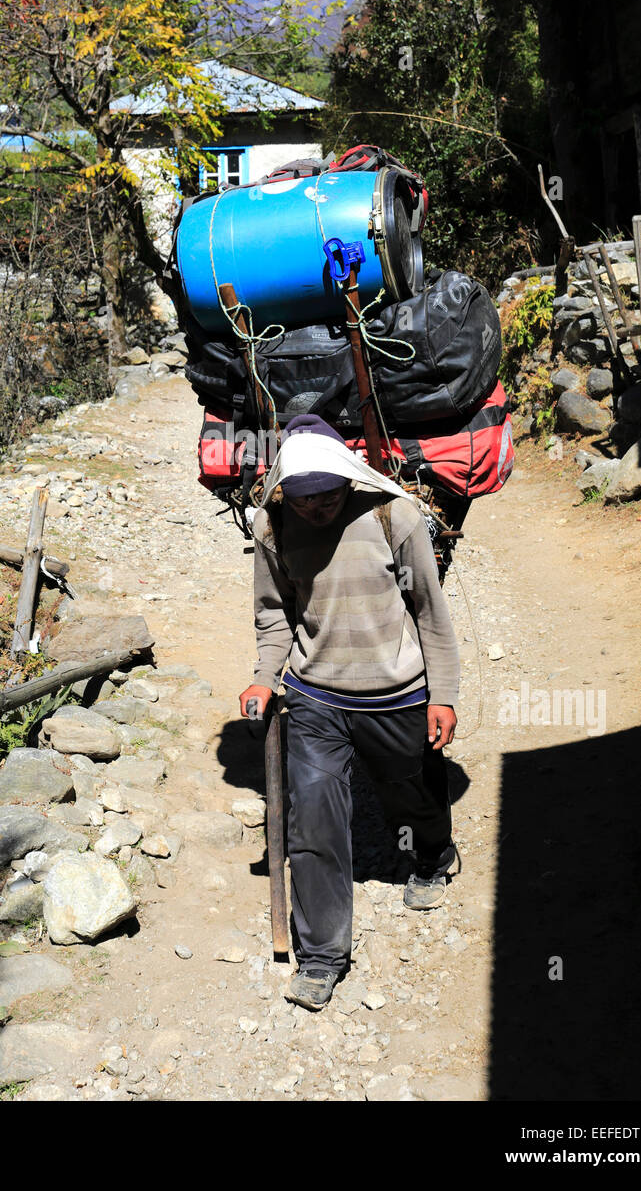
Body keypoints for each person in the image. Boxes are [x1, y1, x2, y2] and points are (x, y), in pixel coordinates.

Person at [239, 414, 460, 1012]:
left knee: (411, 792)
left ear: (348, 480)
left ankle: (434, 852)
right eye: (304, 499)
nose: (316, 509)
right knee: (312, 819)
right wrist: (264, 678)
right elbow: (273, 614)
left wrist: (443, 694)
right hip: (316, 697)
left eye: (328, 496)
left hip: (397, 693)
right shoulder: (273, 528)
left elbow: (430, 612)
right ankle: (321, 956)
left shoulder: (394, 517)